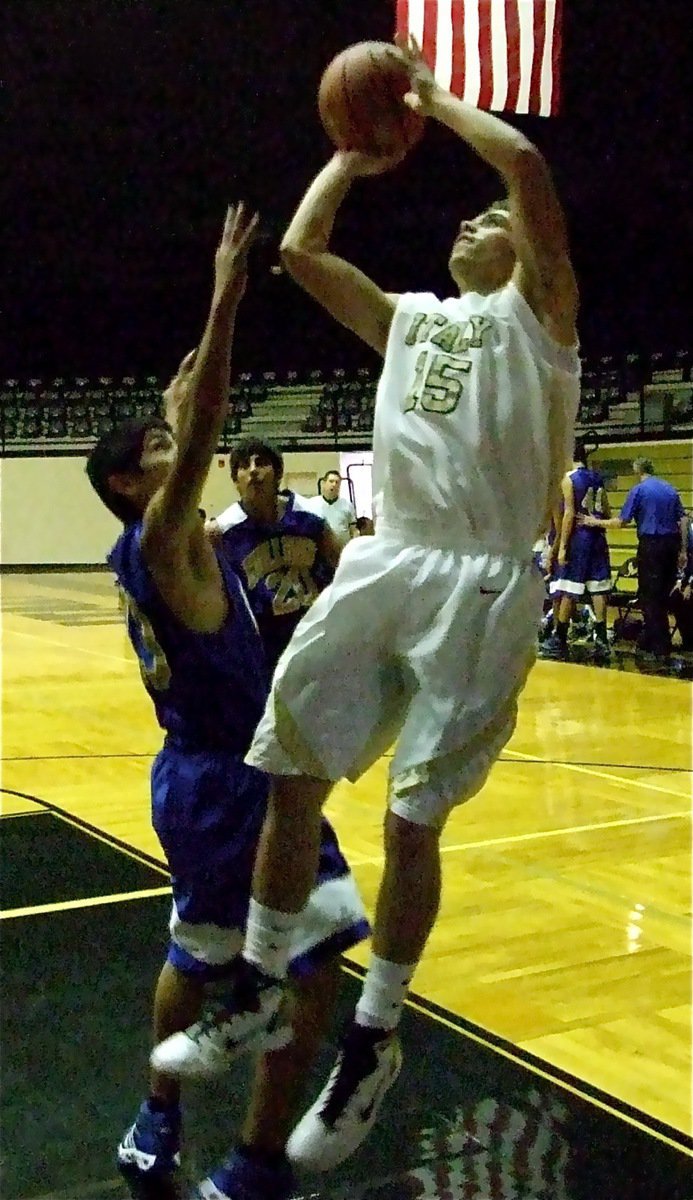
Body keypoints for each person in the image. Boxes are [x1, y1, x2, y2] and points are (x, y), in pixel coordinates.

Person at [153, 34, 580, 1173]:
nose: (476, 223)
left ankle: (376, 1037)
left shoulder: (541, 320)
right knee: (287, 761)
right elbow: (299, 250)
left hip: (484, 577)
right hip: (393, 561)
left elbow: (526, 169)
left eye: (488, 223)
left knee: (409, 821)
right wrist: (350, 153)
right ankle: (255, 981)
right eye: (469, 220)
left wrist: (434, 103)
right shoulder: (409, 318)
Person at [85, 205, 369, 1200]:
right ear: (134, 480)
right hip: (219, 786)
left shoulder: (176, 539)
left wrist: (205, 339)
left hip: (236, 774)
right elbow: (197, 417)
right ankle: (192, 1136)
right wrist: (225, 292)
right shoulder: (162, 538)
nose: (184, 448)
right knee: (244, 962)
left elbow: (183, 400)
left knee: (287, 954)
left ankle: (216, 1148)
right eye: (161, 449)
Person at [209, 439, 341, 671]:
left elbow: (343, 568)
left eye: (261, 463)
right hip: (261, 652)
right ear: (234, 481)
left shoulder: (310, 515)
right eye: (243, 466)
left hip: (315, 640)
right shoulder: (222, 531)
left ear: (278, 474)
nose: (253, 471)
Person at [583, 457, 687, 658]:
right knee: (665, 594)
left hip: (652, 544)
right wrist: (682, 549)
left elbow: (622, 521)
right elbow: (682, 519)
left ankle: (658, 646)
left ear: (637, 471)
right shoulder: (670, 489)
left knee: (650, 596)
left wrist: (593, 522)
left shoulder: (639, 490)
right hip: (672, 544)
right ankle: (659, 640)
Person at [541, 439, 612, 661]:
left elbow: (569, 513)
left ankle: (559, 637)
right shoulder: (597, 478)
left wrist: (562, 546)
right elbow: (607, 511)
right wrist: (596, 520)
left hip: (578, 537)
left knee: (570, 587)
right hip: (598, 536)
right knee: (598, 587)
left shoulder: (568, 479)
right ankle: (601, 637)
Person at [303, 468, 357, 546]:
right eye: (331, 481)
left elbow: (353, 530)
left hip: (342, 551)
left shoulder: (347, 505)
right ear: (324, 483)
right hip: (320, 551)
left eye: (337, 482)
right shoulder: (312, 504)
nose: (334, 484)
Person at [669, 512, 693, 650]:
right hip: (685, 577)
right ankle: (687, 638)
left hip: (690, 579)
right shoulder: (674, 541)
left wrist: (690, 584)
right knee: (675, 597)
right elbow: (680, 565)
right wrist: (679, 582)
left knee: (687, 599)